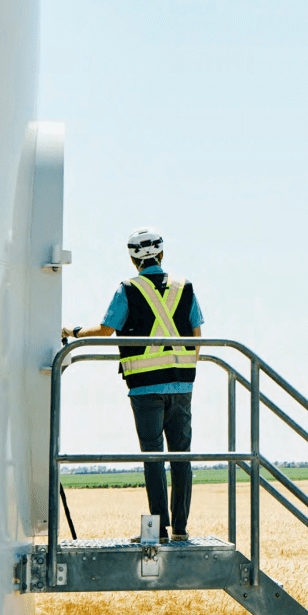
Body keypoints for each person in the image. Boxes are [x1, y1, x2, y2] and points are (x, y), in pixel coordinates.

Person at [62, 227, 203, 542]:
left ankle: (160, 531)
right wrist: (184, 374)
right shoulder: (186, 288)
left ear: (132, 258)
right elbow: (197, 337)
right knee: (182, 456)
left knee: (153, 457)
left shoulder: (128, 289)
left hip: (144, 389)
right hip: (182, 386)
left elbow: (105, 330)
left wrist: (73, 330)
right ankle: (180, 529)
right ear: (162, 254)